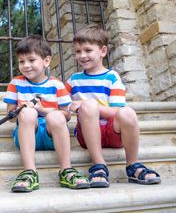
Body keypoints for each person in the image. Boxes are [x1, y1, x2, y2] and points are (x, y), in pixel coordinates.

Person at [65, 26, 161, 187]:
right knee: (88, 106)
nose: (82, 56)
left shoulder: (111, 77)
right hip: (86, 133)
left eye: (88, 50)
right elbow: (61, 100)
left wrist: (88, 104)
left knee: (128, 113)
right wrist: (70, 106)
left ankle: (133, 165)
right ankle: (99, 165)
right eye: (78, 51)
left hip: (112, 132)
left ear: (103, 51)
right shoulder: (74, 79)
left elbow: (117, 111)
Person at [3, 35, 90, 192]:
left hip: (52, 135)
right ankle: (29, 172)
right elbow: (10, 115)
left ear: (46, 61)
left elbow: (67, 114)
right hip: (28, 133)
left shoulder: (56, 85)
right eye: (21, 61)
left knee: (55, 115)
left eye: (31, 60)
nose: (26, 65)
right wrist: (21, 110)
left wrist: (41, 110)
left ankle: (66, 170)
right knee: (28, 114)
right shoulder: (15, 83)